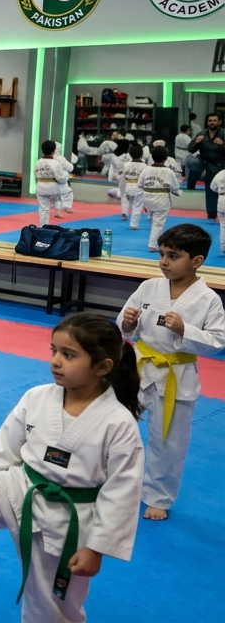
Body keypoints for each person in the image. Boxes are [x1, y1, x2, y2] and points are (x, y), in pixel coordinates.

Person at [0, 314, 143, 623]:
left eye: (69, 354)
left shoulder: (118, 423)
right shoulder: (35, 397)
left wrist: (97, 548)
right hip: (22, 487)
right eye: (54, 351)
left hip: (71, 514)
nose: (56, 361)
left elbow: (122, 492)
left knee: (50, 604)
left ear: (102, 367)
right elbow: (4, 448)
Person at [116, 224, 225, 522]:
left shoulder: (209, 300)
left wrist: (184, 330)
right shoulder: (149, 286)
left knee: (170, 441)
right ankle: (107, 479)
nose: (164, 261)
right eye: (162, 254)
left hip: (178, 373)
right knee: (115, 424)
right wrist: (127, 322)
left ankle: (158, 496)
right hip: (139, 366)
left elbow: (218, 341)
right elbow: (125, 325)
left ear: (197, 261)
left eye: (173, 256)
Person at [141, 146, 181, 252]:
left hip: (147, 199)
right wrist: (178, 193)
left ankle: (149, 215)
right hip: (161, 200)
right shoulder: (168, 172)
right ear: (166, 158)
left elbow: (140, 185)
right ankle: (152, 245)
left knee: (154, 217)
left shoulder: (146, 170)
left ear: (152, 157)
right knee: (158, 222)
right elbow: (175, 188)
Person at [188, 113, 225, 218]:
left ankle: (222, 212)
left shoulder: (223, 133)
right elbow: (190, 149)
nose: (212, 122)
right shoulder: (201, 134)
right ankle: (211, 213)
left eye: (214, 120)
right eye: (210, 120)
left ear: (219, 122)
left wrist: (222, 145)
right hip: (205, 163)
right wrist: (196, 142)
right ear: (207, 122)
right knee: (210, 189)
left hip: (221, 164)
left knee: (221, 190)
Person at [33, 141, 68, 226]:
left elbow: (35, 175)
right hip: (53, 188)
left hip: (40, 187)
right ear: (53, 151)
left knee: (43, 208)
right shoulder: (55, 163)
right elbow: (61, 178)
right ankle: (58, 210)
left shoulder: (38, 162)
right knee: (59, 198)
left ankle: (43, 226)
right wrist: (66, 175)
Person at [118, 143, 145, 226]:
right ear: (141, 155)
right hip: (139, 188)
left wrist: (122, 190)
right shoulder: (145, 166)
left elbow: (123, 178)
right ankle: (134, 224)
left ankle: (124, 213)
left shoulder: (126, 165)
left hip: (128, 186)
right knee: (137, 206)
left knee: (125, 199)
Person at [53, 143, 77, 215]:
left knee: (57, 197)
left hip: (51, 181)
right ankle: (67, 206)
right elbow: (69, 167)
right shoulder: (60, 158)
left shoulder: (48, 158)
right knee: (68, 193)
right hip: (61, 179)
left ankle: (57, 211)